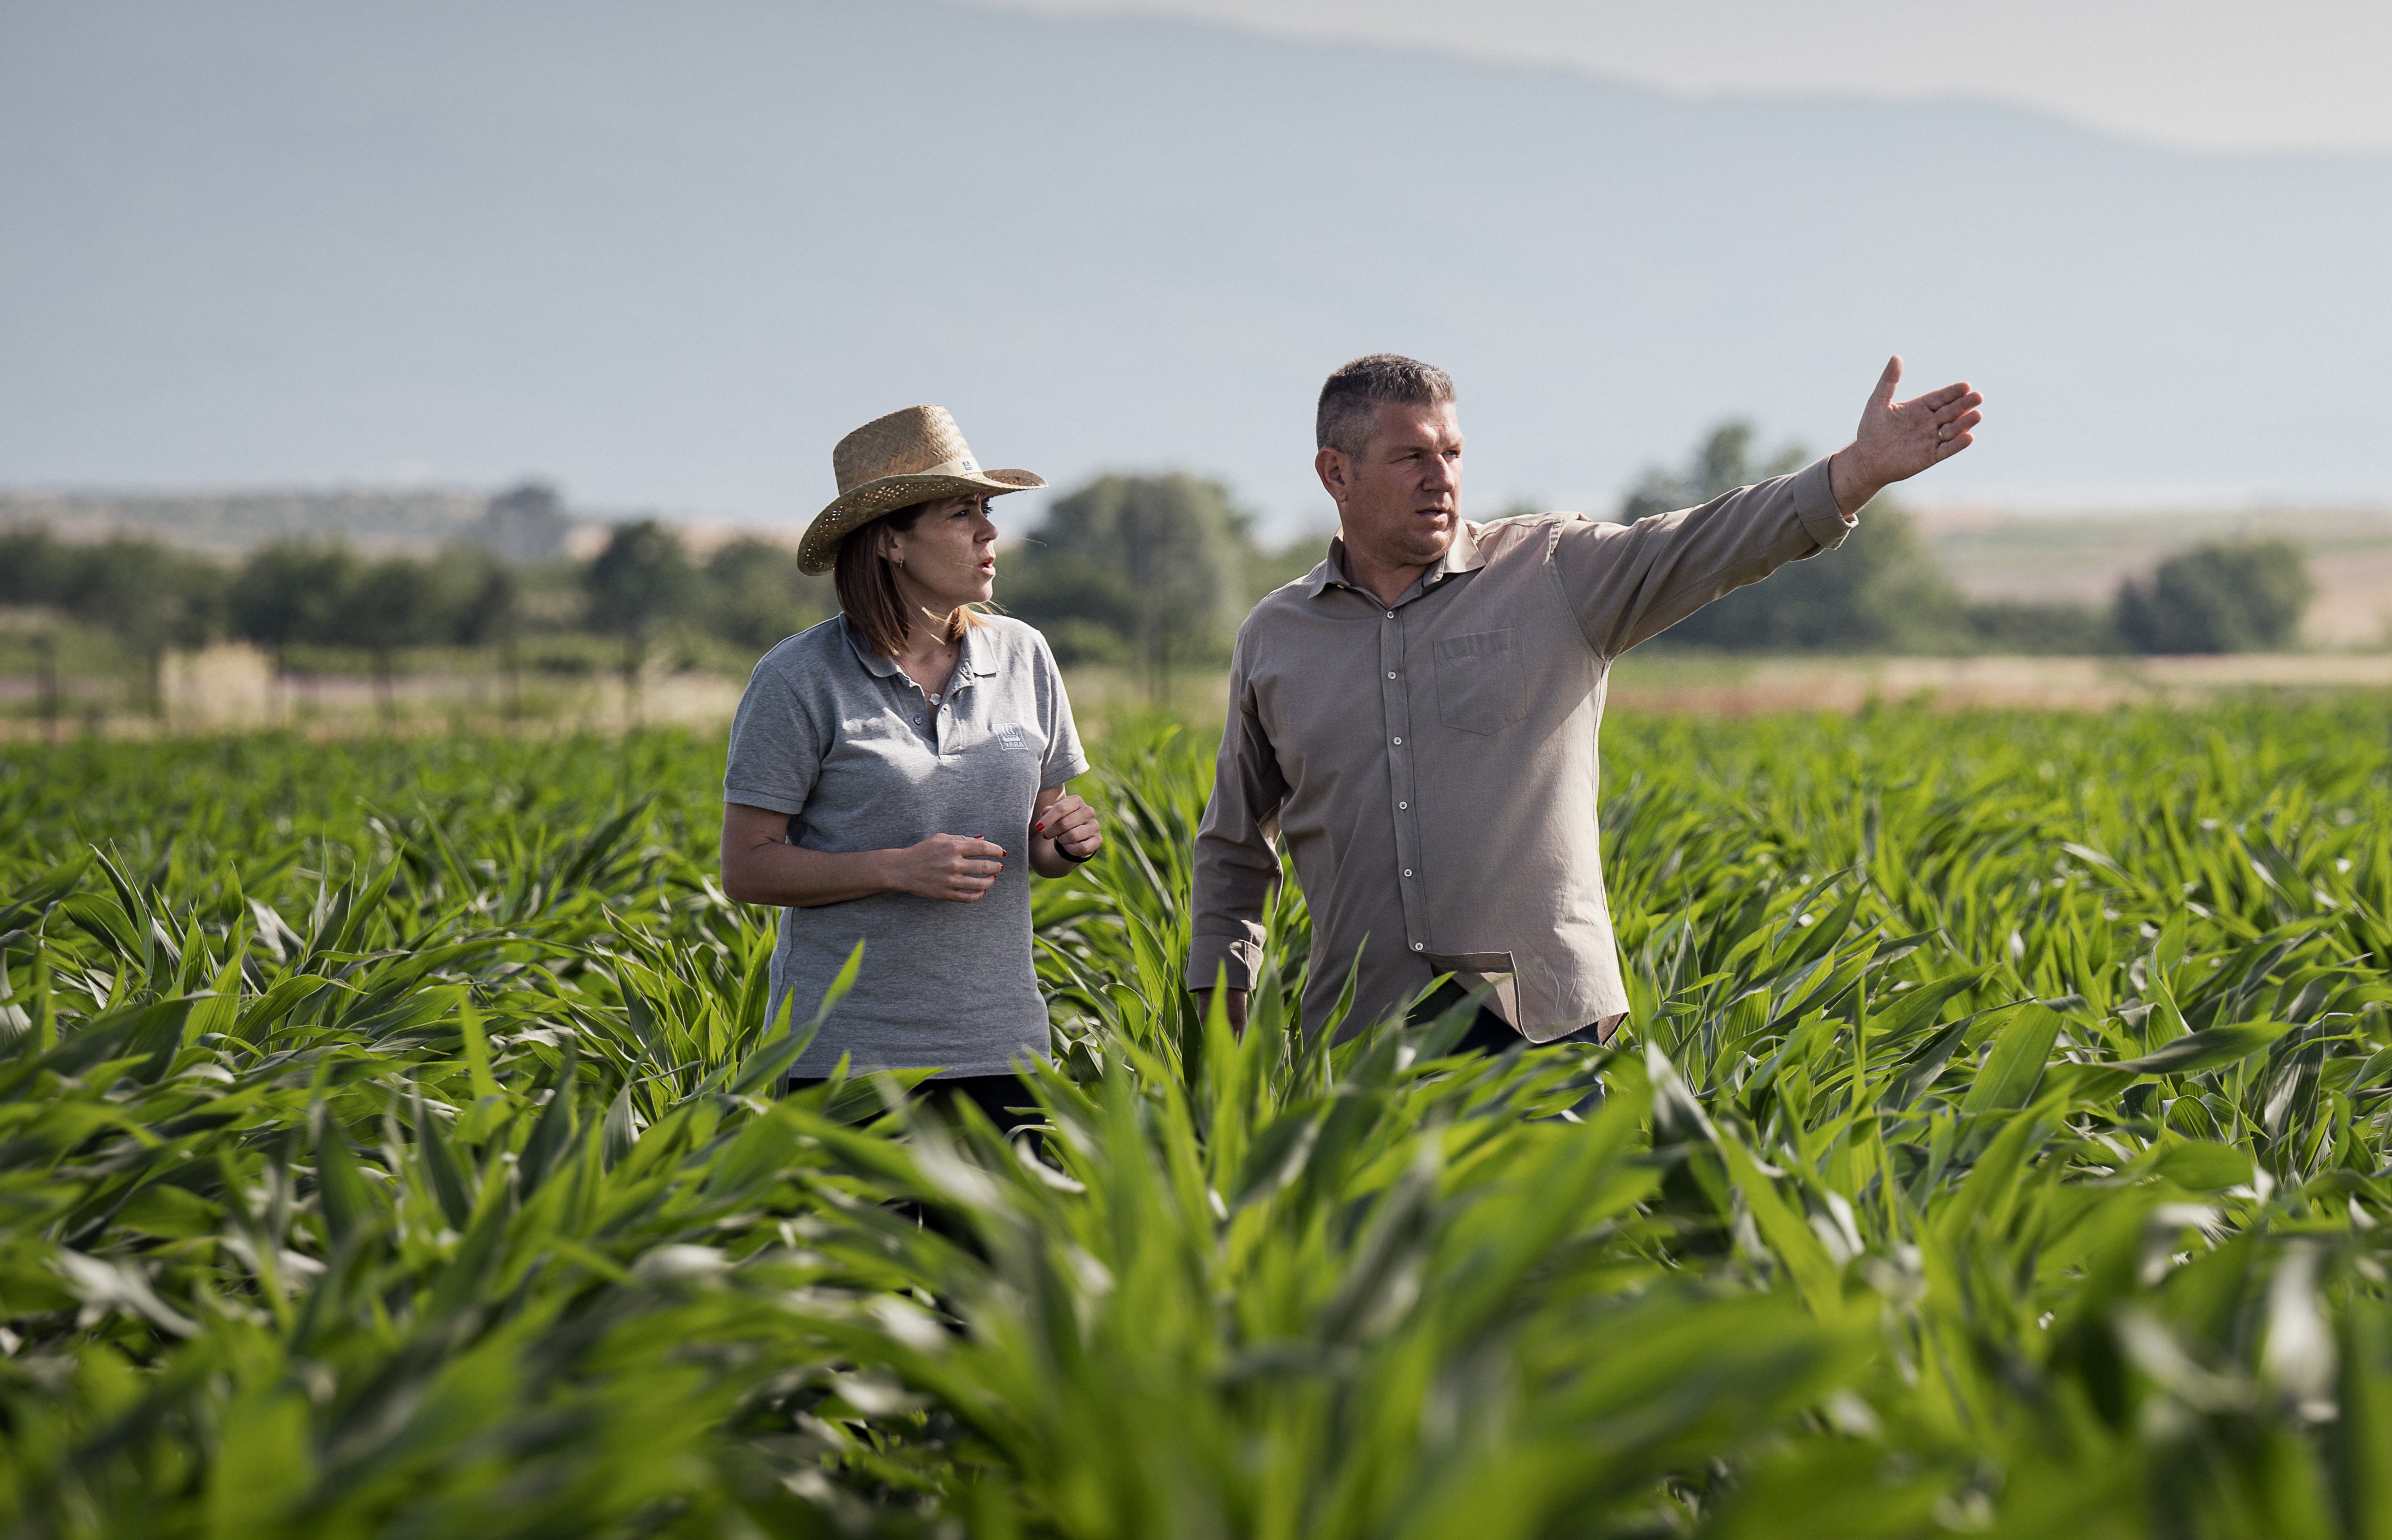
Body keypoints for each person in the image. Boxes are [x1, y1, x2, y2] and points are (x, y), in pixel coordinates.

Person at [1188, 353, 1984, 1053]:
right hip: (1365, 1036)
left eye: (1452, 452)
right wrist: (1222, 1050)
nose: (1441, 477)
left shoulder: (1549, 572)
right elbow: (1234, 854)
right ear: (1336, 474)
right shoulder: (1277, 637)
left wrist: (1854, 474)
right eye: (1410, 457)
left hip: (1540, 1028)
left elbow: (1706, 542)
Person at [720, 405, 1106, 1128]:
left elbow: (1039, 840)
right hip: (845, 1061)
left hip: (1001, 1048)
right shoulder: (798, 677)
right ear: (890, 541)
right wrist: (898, 869)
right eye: (962, 514)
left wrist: (1065, 842)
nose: (989, 532)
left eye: (987, 511)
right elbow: (747, 869)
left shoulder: (1025, 655)